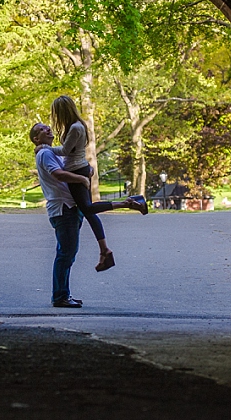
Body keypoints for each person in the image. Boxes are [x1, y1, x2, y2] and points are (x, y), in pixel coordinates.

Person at [39, 95, 147, 272]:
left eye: (57, 113)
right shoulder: (75, 126)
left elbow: (65, 151)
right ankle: (104, 250)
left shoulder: (75, 127)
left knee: (88, 208)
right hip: (80, 168)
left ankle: (129, 203)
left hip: (76, 171)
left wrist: (45, 147)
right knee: (88, 211)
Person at [30, 122, 88, 308]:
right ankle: (60, 296)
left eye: (47, 127)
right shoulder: (45, 154)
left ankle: (63, 294)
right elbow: (58, 174)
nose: (47, 129)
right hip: (62, 208)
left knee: (68, 253)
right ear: (35, 139)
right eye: (41, 129)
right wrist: (82, 178)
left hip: (69, 206)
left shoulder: (53, 152)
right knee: (65, 254)